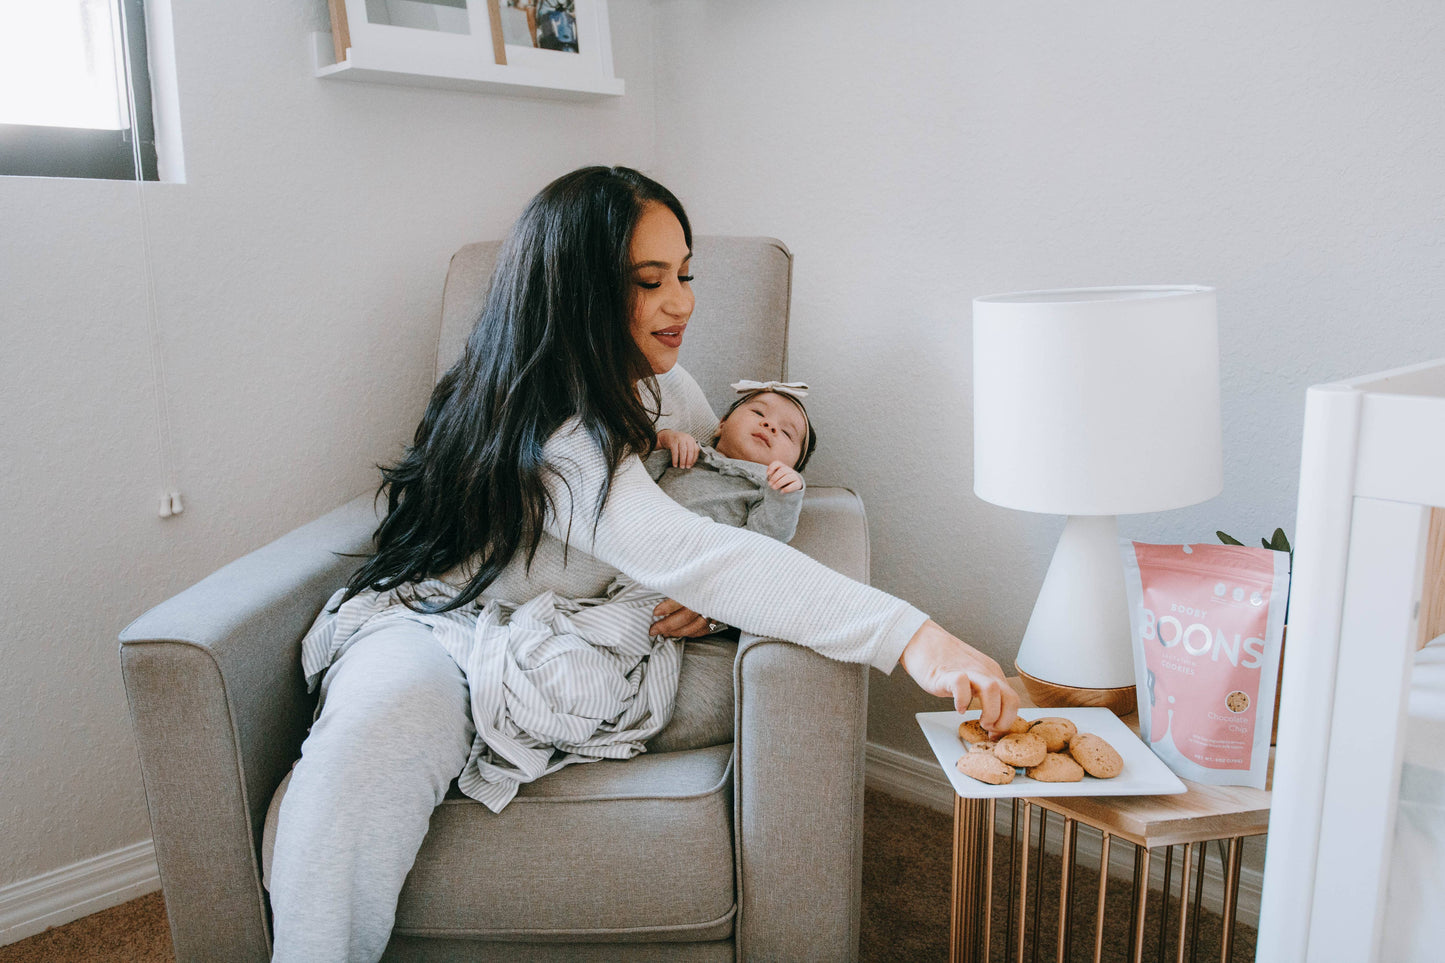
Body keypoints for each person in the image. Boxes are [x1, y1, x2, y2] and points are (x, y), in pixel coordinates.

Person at [268, 165, 1018, 961]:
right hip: (443, 624)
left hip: (595, 630)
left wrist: (718, 605)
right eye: (650, 280)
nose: (684, 302)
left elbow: (712, 511)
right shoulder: (555, 435)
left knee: (781, 681)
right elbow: (688, 549)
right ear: (577, 291)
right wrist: (916, 638)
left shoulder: (665, 383)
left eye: (685, 274)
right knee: (382, 725)